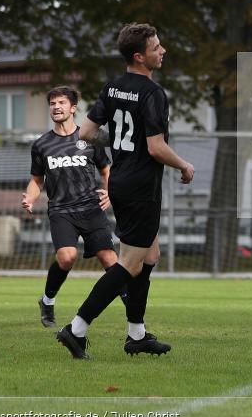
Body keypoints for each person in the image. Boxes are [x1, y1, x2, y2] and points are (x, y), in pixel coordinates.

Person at [56, 23, 195, 359]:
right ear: (139, 56)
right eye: (156, 48)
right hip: (141, 186)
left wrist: (121, 145)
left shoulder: (113, 88)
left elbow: (86, 133)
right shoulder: (153, 93)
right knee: (130, 264)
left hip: (119, 180)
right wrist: (184, 165)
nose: (162, 51)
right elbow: (156, 147)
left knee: (149, 257)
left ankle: (137, 334)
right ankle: (76, 328)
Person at [24, 86, 121, 328]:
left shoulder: (88, 138)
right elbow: (37, 179)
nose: (56, 107)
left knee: (110, 260)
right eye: (52, 103)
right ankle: (47, 300)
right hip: (61, 210)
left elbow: (106, 170)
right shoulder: (42, 144)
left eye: (61, 103)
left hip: (91, 207)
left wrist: (109, 192)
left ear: (73, 108)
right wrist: (30, 198)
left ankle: (134, 313)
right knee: (67, 258)